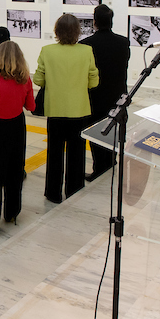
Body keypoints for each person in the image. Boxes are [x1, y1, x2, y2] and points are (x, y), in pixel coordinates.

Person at [33, 14, 98, 202]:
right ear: (77, 31)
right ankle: (74, 188)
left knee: (54, 153)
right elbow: (93, 81)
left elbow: (38, 79)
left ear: (57, 31)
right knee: (77, 153)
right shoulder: (86, 51)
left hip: (55, 110)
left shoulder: (47, 51)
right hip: (79, 110)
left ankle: (53, 193)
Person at [0, 40, 34, 235]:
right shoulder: (25, 79)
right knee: (15, 170)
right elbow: (31, 107)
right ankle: (12, 212)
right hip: (17, 126)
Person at [81, 4, 130, 181]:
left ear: (94, 22)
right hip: (116, 94)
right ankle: (111, 162)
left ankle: (99, 168)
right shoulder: (123, 42)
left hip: (95, 95)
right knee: (112, 131)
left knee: (97, 132)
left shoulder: (86, 45)